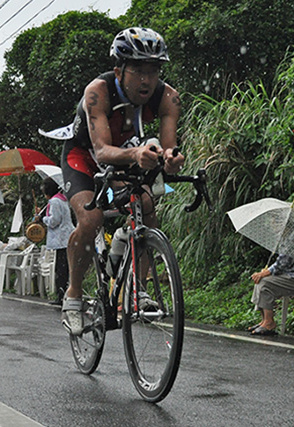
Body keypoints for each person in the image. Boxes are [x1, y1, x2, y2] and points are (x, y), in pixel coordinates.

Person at [59, 27, 184, 335]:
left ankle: (136, 288)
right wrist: (137, 153)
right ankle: (73, 294)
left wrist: (172, 159)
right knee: (91, 219)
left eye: (153, 71)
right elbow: (101, 151)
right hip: (83, 157)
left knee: (145, 206)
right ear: (119, 70)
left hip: (128, 153)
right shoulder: (97, 92)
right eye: (139, 71)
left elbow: (169, 148)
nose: (147, 80)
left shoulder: (169, 98)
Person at [249, 243, 294, 336]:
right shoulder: (287, 238)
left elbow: (284, 262)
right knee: (261, 280)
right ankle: (264, 321)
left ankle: (269, 322)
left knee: (265, 283)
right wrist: (266, 272)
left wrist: (267, 271)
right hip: (293, 274)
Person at [36, 177, 75, 305]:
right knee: (65, 268)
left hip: (61, 239)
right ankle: (65, 294)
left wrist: (43, 219)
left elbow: (54, 221)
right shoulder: (62, 200)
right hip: (66, 238)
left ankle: (61, 296)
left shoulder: (54, 202)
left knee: (61, 269)